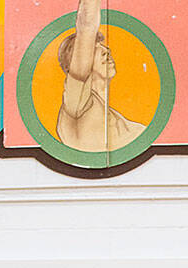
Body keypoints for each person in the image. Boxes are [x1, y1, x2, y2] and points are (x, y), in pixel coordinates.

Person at [57, 0, 145, 153]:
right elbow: (86, 27)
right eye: (93, 49)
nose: (106, 50)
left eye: (103, 46)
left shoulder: (121, 121)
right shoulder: (76, 102)